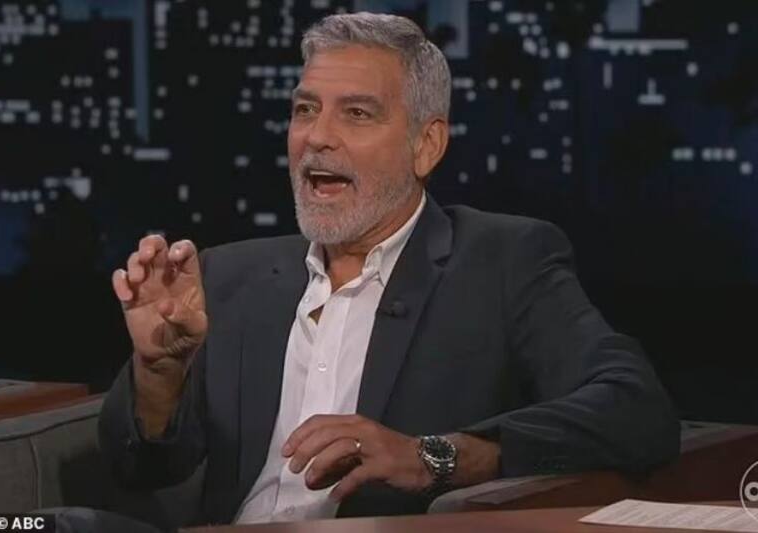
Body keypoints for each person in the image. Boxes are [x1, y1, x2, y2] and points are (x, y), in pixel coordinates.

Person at [100, 12, 679, 527]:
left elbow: (636, 410)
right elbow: (142, 470)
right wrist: (160, 372)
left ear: (426, 145)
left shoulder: (504, 261)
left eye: (357, 114)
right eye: (305, 110)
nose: (317, 137)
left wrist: (436, 456)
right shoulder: (228, 276)